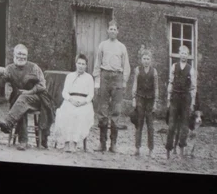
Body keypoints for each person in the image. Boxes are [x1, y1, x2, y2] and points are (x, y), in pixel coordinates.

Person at [0, 44, 51, 150]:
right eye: (19, 54)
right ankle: (23, 142)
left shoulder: (34, 67)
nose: (21, 57)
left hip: (37, 98)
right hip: (20, 100)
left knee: (22, 99)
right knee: (20, 104)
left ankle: (8, 123)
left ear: (27, 56)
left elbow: (42, 85)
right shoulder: (9, 69)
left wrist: (29, 92)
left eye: (24, 55)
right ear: (14, 55)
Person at [92, 21, 131, 153]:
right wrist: (97, 82)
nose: (113, 31)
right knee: (102, 111)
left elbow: (126, 66)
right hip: (104, 77)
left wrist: (124, 82)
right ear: (107, 31)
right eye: (111, 29)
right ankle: (102, 143)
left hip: (117, 78)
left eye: (115, 29)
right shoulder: (102, 45)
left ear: (117, 31)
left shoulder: (122, 47)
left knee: (116, 111)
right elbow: (97, 63)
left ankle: (113, 144)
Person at [52, 54, 96, 152]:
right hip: (70, 100)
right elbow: (64, 92)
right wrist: (71, 100)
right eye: (79, 63)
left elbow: (91, 95)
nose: (81, 66)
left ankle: (75, 143)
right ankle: (67, 142)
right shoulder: (70, 76)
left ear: (86, 66)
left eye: (83, 64)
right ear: (76, 64)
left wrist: (83, 102)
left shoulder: (89, 78)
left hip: (84, 103)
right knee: (65, 113)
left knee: (80, 115)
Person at [166, 45, 197, 159]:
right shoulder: (174, 66)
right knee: (171, 125)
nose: (183, 55)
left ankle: (181, 150)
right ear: (179, 54)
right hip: (175, 97)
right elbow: (170, 82)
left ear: (188, 56)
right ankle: (168, 149)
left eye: (186, 53)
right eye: (182, 53)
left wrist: (192, 102)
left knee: (184, 126)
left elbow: (193, 87)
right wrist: (168, 99)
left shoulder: (191, 69)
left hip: (185, 99)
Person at [131, 49, 160, 157]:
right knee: (139, 124)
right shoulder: (138, 70)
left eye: (148, 59)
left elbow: (156, 87)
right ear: (141, 59)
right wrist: (133, 98)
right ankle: (137, 148)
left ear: (151, 60)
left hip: (150, 101)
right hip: (140, 99)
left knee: (150, 126)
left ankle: (150, 149)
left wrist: (156, 102)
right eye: (144, 59)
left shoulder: (154, 71)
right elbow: (135, 84)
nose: (146, 61)